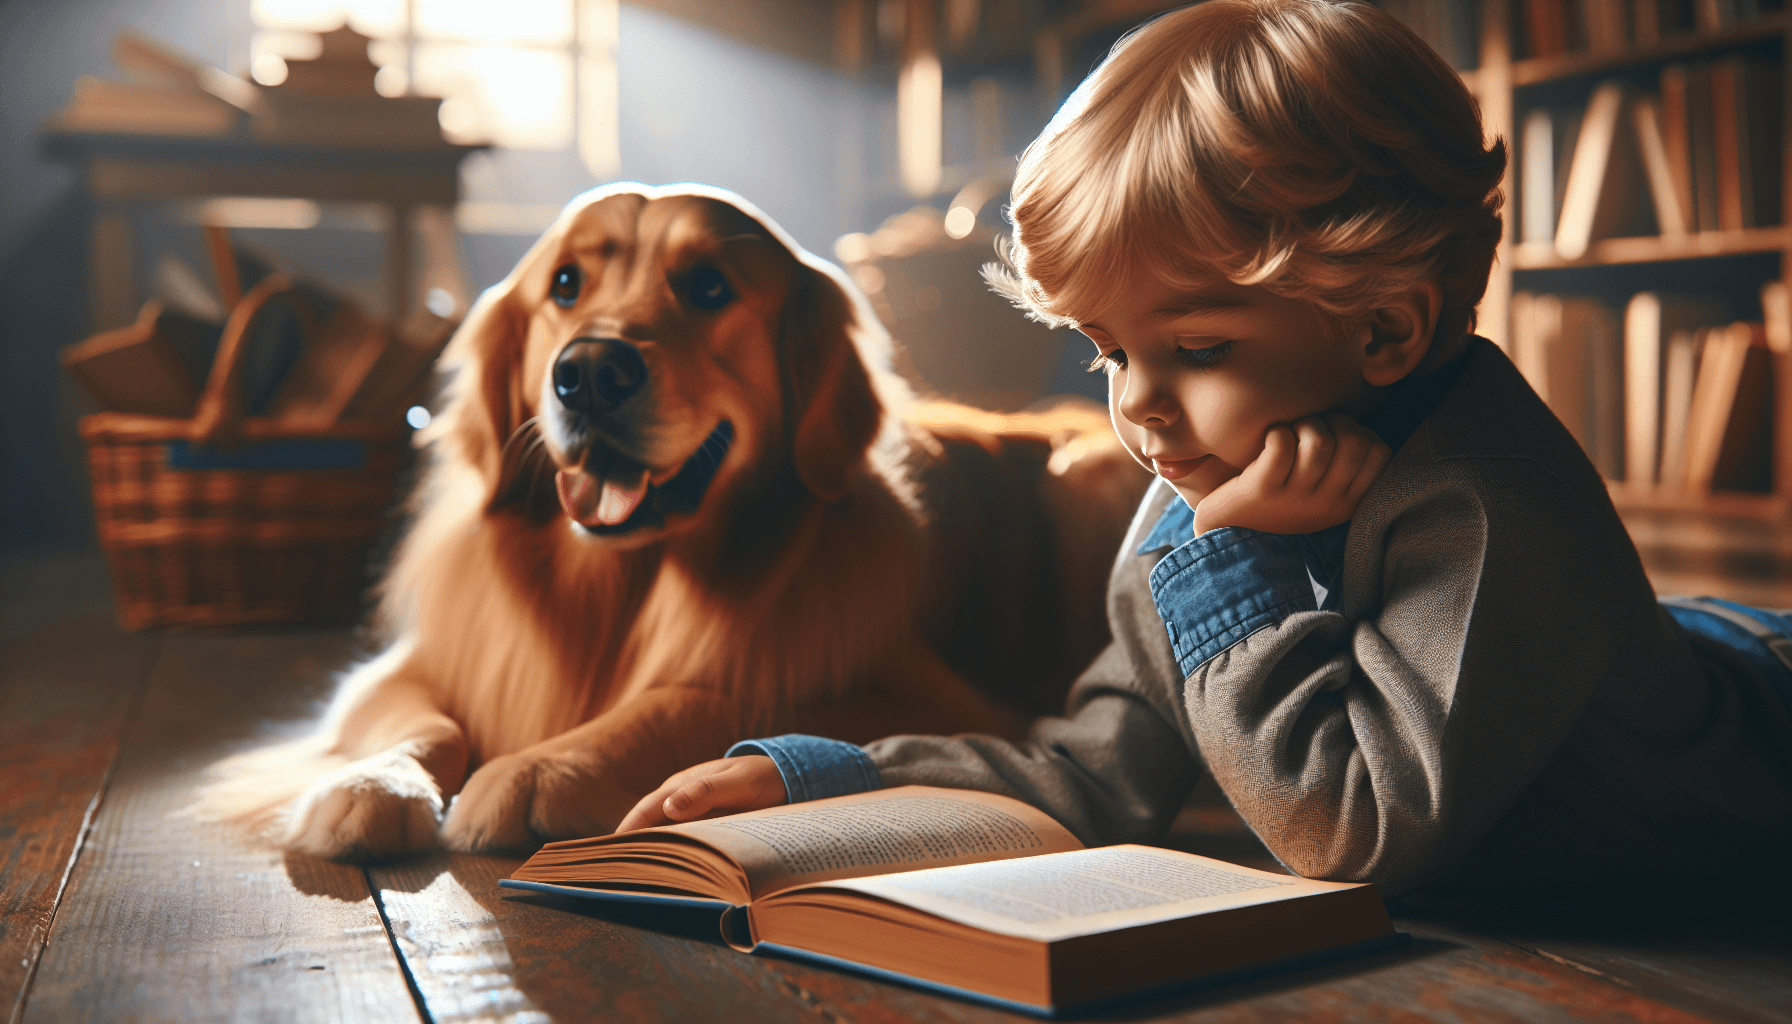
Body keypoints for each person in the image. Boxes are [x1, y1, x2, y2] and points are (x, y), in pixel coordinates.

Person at [615, 0, 1792, 895]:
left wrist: (1251, 569)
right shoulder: (1206, 482)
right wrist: (837, 777)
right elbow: (1098, 770)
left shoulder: (1490, 508)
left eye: (1197, 349)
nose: (1141, 409)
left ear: (1385, 327)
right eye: (1108, 352)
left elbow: (1350, 831)